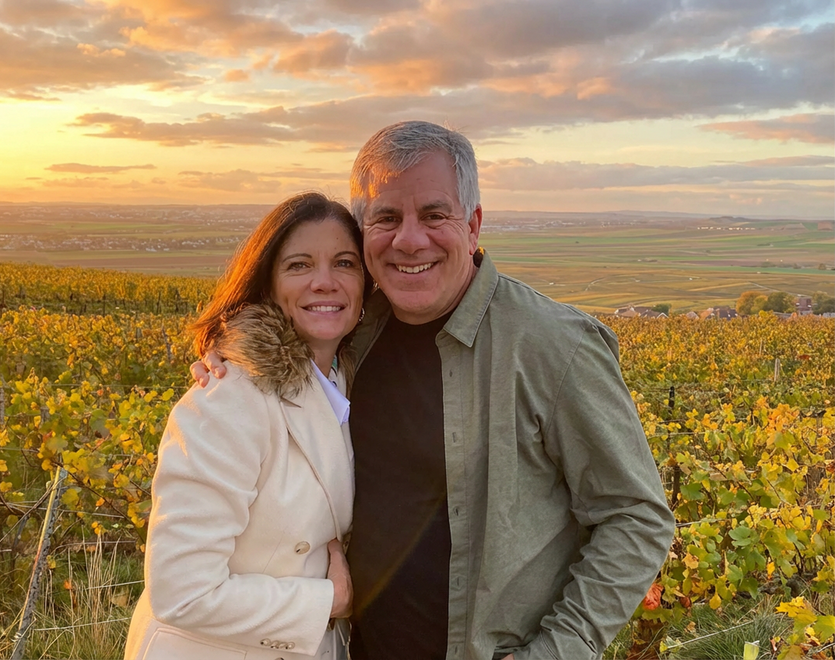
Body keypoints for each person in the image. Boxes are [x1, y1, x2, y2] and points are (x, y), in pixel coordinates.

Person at [194, 122, 676, 660]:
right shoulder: (355, 330)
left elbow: (636, 516)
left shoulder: (554, 347)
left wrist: (561, 648)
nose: (409, 239)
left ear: (472, 225)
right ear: (363, 231)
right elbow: (278, 337)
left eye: (434, 214)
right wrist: (231, 351)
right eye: (386, 218)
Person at [126, 192, 371, 660]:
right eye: (299, 265)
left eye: (344, 263)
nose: (324, 281)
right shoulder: (228, 398)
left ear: (365, 284)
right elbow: (183, 591)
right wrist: (329, 602)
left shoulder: (344, 380)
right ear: (267, 284)